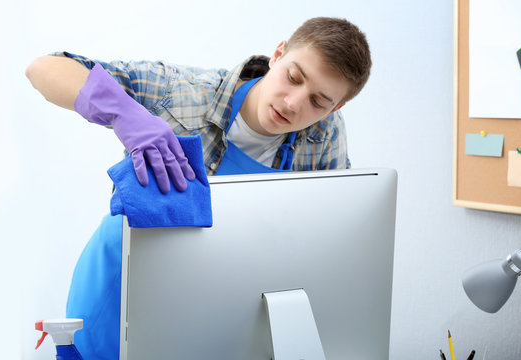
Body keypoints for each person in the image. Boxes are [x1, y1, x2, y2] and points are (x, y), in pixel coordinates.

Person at [26, 16, 371, 360]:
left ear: (336, 107)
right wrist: (125, 113)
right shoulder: (179, 92)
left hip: (216, 309)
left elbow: (329, 243)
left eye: (318, 101)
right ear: (277, 54)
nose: (294, 103)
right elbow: (45, 68)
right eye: (293, 77)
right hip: (122, 293)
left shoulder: (325, 135)